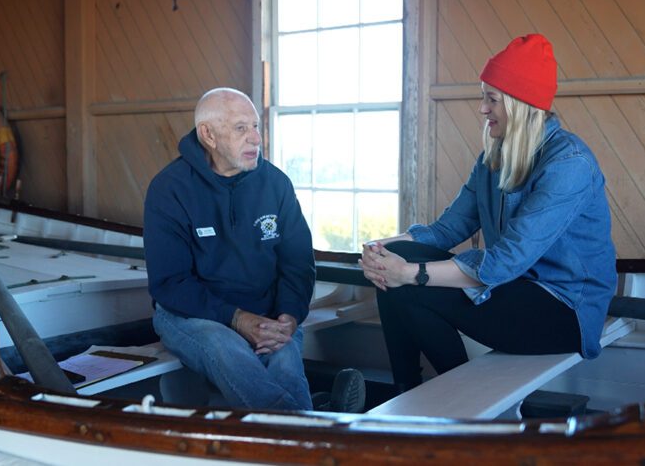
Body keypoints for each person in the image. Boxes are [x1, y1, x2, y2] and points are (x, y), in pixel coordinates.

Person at [360, 34, 617, 394]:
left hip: (565, 307)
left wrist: (409, 273)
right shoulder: (493, 159)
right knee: (396, 266)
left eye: (491, 99)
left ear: (520, 104)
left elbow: (506, 260)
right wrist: (381, 249)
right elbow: (448, 229)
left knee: (409, 284)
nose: (482, 109)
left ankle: (456, 398)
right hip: (512, 286)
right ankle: (407, 392)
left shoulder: (569, 164)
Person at [144, 87, 364, 411]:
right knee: (227, 349)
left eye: (256, 126)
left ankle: (306, 431)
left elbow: (298, 264)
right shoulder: (169, 189)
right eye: (240, 128)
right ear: (208, 135)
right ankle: (315, 427)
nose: (256, 138)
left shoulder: (276, 185)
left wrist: (289, 316)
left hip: (267, 313)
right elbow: (170, 284)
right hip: (191, 316)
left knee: (286, 361)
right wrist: (237, 320)